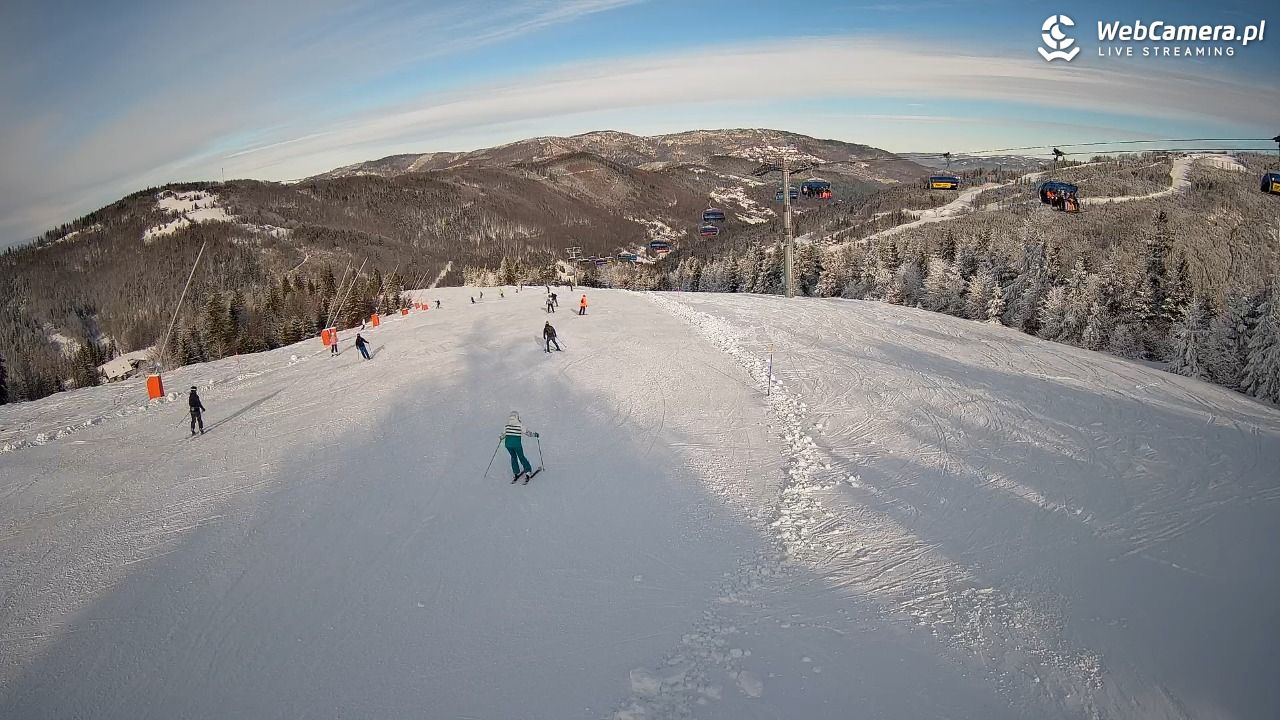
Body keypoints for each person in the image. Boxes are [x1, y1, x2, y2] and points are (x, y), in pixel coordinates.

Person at [501, 411, 538, 482]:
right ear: (517, 417)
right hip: (516, 445)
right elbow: (528, 433)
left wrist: (501, 437)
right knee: (521, 457)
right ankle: (528, 471)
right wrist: (535, 434)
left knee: (513, 457)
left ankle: (516, 472)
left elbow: (502, 435)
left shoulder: (506, 425)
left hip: (508, 445)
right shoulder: (520, 425)